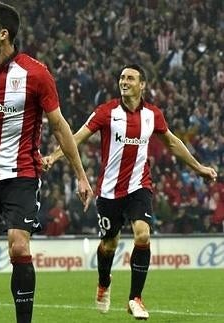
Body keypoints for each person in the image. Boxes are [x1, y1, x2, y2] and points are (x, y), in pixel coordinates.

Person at [0, 2, 93, 323]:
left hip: (22, 173)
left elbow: (59, 126)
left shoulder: (36, 73)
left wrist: (81, 177)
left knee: (18, 247)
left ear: (3, 34)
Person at [42, 64, 218, 320]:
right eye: (122, 77)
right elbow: (77, 136)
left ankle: (135, 298)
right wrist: (54, 157)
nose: (124, 81)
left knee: (143, 235)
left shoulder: (153, 115)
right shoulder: (106, 112)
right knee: (109, 244)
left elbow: (172, 142)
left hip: (139, 186)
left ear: (142, 85)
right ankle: (104, 281)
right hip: (109, 190)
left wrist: (199, 167)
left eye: (130, 78)